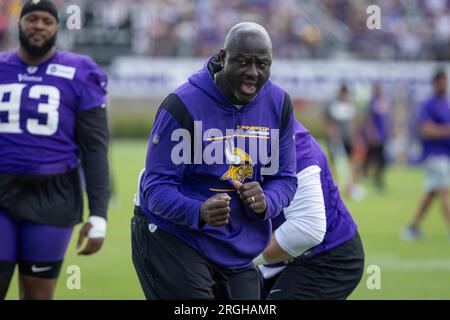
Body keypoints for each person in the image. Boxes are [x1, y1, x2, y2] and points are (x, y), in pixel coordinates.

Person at [131, 22, 298, 300]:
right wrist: (198, 211)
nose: (253, 74)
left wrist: (268, 199)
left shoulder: (279, 103)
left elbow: (286, 178)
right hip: (175, 236)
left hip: (237, 246)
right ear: (223, 57)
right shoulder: (183, 105)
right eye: (244, 62)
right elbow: (155, 188)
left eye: (262, 64)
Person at [0, 0, 110, 300]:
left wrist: (98, 213)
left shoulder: (80, 71)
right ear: (19, 24)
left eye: (46, 21)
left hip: (53, 195)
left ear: (57, 28)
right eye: (31, 19)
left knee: (38, 296)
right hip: (1, 188)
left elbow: (95, 147)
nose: (38, 26)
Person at [254, 119, 365, 300]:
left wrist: (239, 258)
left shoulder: (289, 141)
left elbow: (306, 230)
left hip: (326, 255)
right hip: (277, 255)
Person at [401, 70, 450, 241]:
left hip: (445, 155)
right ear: (435, 83)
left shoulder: (446, 103)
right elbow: (426, 130)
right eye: (441, 82)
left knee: (431, 193)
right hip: (435, 155)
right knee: (445, 191)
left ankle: (411, 228)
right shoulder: (429, 105)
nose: (444, 85)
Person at [324, 84, 364, 200]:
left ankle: (350, 186)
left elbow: (353, 122)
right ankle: (334, 186)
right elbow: (327, 120)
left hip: (348, 139)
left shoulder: (350, 105)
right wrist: (331, 131)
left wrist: (354, 134)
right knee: (335, 164)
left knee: (353, 163)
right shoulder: (333, 105)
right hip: (336, 140)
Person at [363, 82, 391, 192]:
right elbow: (368, 120)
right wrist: (371, 134)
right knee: (370, 159)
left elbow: (385, 119)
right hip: (374, 138)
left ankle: (378, 181)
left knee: (381, 161)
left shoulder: (383, 102)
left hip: (382, 137)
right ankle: (365, 179)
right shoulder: (372, 102)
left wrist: (388, 131)